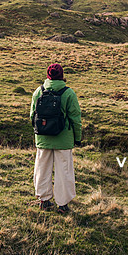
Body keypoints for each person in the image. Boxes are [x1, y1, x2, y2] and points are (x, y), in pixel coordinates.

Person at [30, 62, 82, 214]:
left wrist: (38, 131)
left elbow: (32, 115)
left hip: (43, 138)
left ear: (48, 76)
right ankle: (62, 204)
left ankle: (44, 200)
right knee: (64, 171)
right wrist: (77, 138)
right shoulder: (69, 93)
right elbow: (75, 119)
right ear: (62, 76)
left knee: (42, 169)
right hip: (63, 140)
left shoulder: (38, 92)